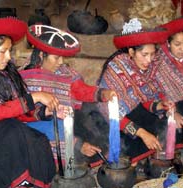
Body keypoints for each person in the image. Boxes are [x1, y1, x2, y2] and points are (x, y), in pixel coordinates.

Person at [96, 18, 183, 165]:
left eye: (153, 54)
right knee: (133, 143)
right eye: (144, 54)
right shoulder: (117, 69)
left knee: (166, 126)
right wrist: (143, 134)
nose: (149, 60)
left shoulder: (147, 69)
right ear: (131, 52)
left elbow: (148, 99)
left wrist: (162, 106)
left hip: (136, 116)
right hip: (113, 124)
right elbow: (110, 113)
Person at [0, 17, 64, 188]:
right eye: (3, 51)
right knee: (12, 134)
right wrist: (35, 97)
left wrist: (43, 112)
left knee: (37, 140)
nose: (9, 57)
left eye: (9, 51)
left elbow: (16, 110)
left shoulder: (4, 76)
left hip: (2, 134)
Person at [20, 24, 116, 164]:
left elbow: (80, 90)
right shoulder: (24, 78)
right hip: (36, 129)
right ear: (41, 55)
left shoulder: (65, 73)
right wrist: (78, 144)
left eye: (62, 58)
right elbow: (26, 115)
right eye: (56, 58)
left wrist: (103, 94)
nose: (61, 62)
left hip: (62, 123)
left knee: (93, 117)